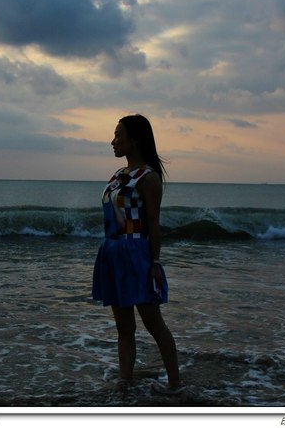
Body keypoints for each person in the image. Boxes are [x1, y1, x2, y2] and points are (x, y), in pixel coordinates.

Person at [92, 113, 181, 393]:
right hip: (112, 252)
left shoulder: (148, 178)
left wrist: (155, 263)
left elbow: (154, 224)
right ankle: (125, 381)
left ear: (136, 139)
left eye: (118, 135)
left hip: (135, 253)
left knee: (154, 324)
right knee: (124, 328)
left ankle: (175, 385)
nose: (113, 141)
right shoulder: (119, 174)